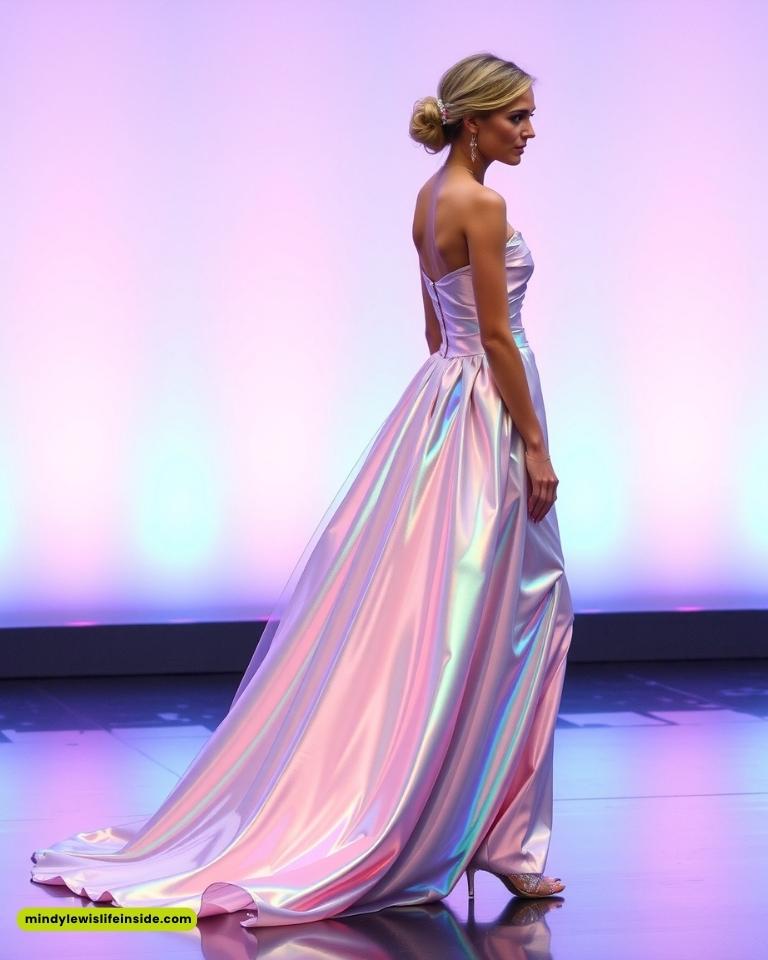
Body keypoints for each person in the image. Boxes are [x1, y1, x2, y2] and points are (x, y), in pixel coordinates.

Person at [30, 51, 573, 927]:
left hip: (443, 403)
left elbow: (435, 329)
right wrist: (535, 444)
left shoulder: (429, 197)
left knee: (452, 619)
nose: (530, 131)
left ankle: (474, 823)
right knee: (514, 614)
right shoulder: (483, 203)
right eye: (517, 116)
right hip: (488, 412)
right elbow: (498, 338)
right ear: (475, 121)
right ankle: (491, 835)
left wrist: (465, 391)